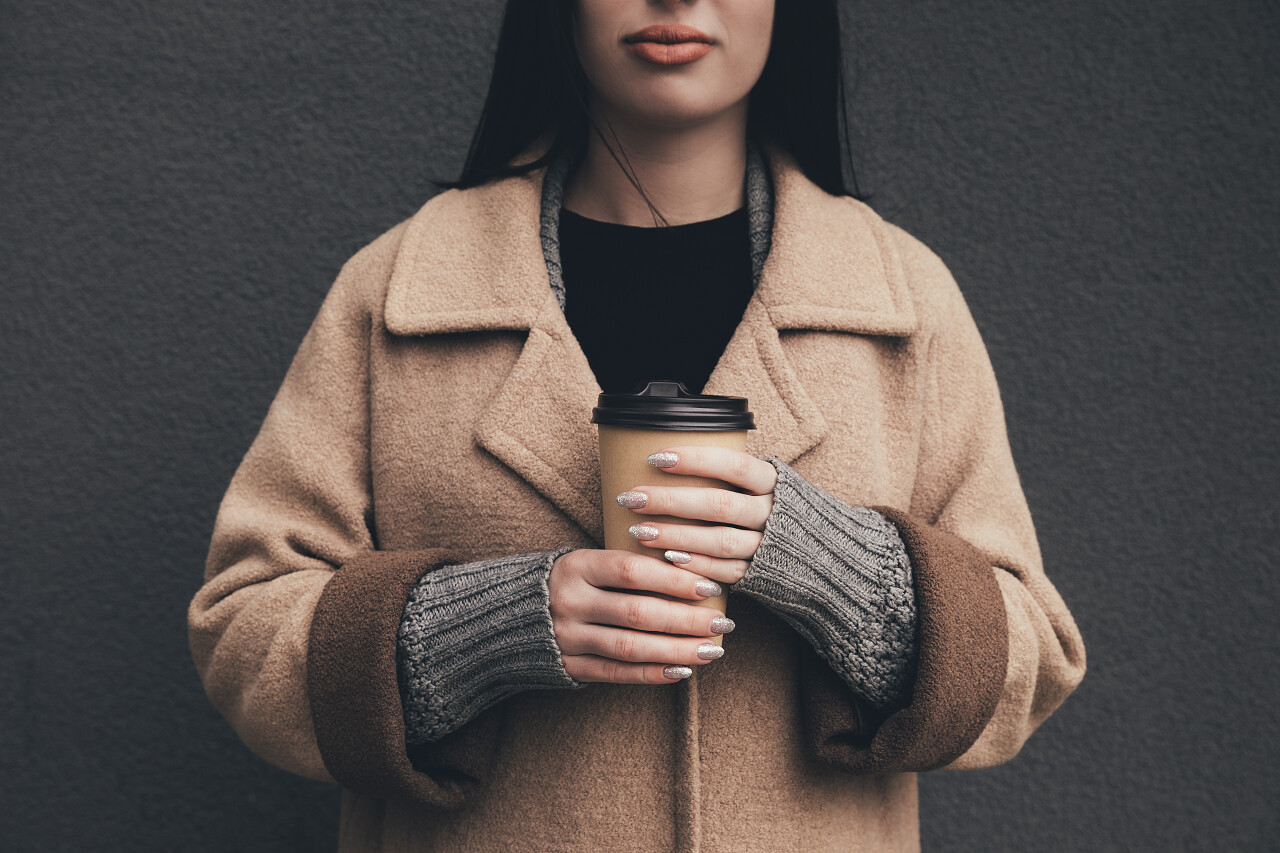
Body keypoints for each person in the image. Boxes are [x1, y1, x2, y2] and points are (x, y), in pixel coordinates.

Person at [187, 1, 1087, 850]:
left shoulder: (902, 301)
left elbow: (1033, 659)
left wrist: (826, 561)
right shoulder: (397, 292)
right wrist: (479, 629)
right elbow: (242, 627)